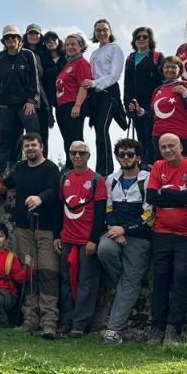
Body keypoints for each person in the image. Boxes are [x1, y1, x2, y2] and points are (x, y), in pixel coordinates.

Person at [145, 133, 187, 345]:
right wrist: (183, 200)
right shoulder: (158, 166)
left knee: (181, 277)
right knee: (160, 278)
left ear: (180, 146)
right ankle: (157, 327)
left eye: (172, 145)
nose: (168, 150)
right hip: (162, 232)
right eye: (163, 147)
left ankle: (174, 328)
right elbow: (151, 197)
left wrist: (167, 195)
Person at [3, 133, 61, 339]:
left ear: (41, 146)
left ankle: (49, 322)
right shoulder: (19, 168)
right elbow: (5, 184)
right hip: (23, 228)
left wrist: (40, 198)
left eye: (33, 145)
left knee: (48, 273)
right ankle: (30, 319)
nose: (30, 149)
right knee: (28, 273)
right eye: (26, 146)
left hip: (45, 228)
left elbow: (55, 191)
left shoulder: (52, 169)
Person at [98, 137, 151, 346]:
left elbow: (150, 213)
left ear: (138, 157)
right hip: (115, 233)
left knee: (129, 283)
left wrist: (125, 229)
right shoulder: (111, 179)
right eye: (122, 155)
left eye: (130, 154)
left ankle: (113, 330)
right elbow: (108, 208)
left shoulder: (147, 178)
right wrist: (115, 230)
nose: (126, 158)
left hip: (140, 235)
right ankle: (126, 281)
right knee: (104, 250)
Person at [57, 141, 107, 337]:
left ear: (88, 156)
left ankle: (80, 323)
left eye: (81, 153)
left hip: (87, 240)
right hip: (67, 238)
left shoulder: (96, 180)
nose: (77, 156)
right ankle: (66, 320)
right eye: (73, 153)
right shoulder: (64, 178)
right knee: (66, 280)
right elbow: (59, 211)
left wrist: (93, 239)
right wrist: (56, 236)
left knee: (87, 281)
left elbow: (101, 213)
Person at [0, 25, 43, 174]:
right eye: (7, 37)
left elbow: (34, 79)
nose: (10, 39)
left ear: (19, 39)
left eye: (13, 36)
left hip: (25, 103)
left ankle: (37, 169)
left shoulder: (27, 55)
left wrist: (31, 100)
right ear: (3, 41)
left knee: (33, 133)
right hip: (5, 105)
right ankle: (0, 174)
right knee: (5, 139)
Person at [86, 19, 126, 176]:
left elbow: (114, 74)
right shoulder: (94, 53)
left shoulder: (115, 49)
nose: (101, 33)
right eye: (98, 30)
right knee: (98, 131)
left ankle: (108, 170)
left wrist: (96, 83)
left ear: (110, 31)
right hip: (96, 95)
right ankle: (100, 168)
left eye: (105, 29)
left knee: (102, 128)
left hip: (109, 92)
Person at [123, 27, 164, 166]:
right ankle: (142, 167)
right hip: (134, 105)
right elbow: (127, 83)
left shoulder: (157, 57)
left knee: (151, 138)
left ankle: (152, 167)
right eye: (138, 37)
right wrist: (127, 104)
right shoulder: (130, 58)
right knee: (140, 139)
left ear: (150, 39)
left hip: (151, 105)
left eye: (145, 37)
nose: (141, 39)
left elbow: (162, 81)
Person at [150, 56, 187, 158]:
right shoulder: (157, 90)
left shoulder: (186, 86)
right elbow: (153, 113)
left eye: (173, 67)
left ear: (180, 70)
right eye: (167, 67)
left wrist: (185, 94)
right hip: (159, 135)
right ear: (162, 69)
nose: (170, 70)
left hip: (181, 135)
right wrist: (139, 110)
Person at [53, 33, 93, 161]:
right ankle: (70, 167)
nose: (70, 47)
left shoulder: (81, 63)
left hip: (73, 104)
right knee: (67, 139)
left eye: (73, 44)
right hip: (62, 106)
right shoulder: (67, 64)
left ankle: (79, 167)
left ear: (81, 46)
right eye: (67, 44)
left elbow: (84, 85)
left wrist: (77, 105)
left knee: (75, 139)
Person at [25, 24, 56, 150]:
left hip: (43, 97)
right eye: (30, 33)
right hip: (25, 97)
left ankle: (43, 161)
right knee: (27, 133)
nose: (33, 36)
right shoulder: (21, 51)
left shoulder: (45, 52)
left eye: (36, 34)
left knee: (43, 132)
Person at [37, 30, 64, 151]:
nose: (51, 42)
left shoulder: (66, 57)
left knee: (67, 132)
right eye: (47, 41)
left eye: (54, 39)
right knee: (43, 133)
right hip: (48, 98)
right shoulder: (43, 59)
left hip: (65, 99)